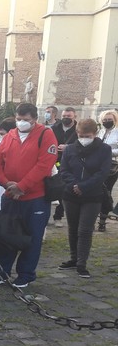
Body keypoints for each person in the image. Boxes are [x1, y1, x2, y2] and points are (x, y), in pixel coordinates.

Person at [0, 103, 58, 288]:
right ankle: (0, 272)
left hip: (35, 197)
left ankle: (25, 274)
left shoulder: (46, 134)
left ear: (35, 119)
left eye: (26, 120)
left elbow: (44, 164)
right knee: (5, 236)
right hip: (10, 195)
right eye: (19, 119)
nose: (21, 123)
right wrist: (6, 184)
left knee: (32, 238)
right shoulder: (10, 135)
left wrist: (22, 186)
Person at [58, 119, 112, 278]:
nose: (83, 138)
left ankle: (82, 263)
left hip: (92, 195)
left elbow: (102, 173)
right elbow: (64, 170)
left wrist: (84, 186)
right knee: (73, 228)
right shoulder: (70, 150)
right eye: (81, 135)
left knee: (85, 230)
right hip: (71, 194)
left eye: (87, 136)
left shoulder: (104, 149)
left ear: (95, 134)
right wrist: (75, 184)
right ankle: (74, 258)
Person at [50, 107, 78, 226]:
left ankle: (58, 216)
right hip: (54, 160)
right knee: (52, 186)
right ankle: (49, 214)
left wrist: (69, 147)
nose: (66, 118)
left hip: (70, 161)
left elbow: (82, 142)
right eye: (64, 116)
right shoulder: (54, 128)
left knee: (64, 188)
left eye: (69, 116)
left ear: (74, 116)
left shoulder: (78, 129)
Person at [97, 109, 118, 231]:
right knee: (98, 190)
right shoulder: (100, 132)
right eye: (105, 120)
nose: (107, 122)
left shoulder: (117, 132)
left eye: (109, 120)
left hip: (112, 166)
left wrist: (107, 150)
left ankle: (102, 220)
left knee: (106, 190)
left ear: (114, 120)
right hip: (98, 165)